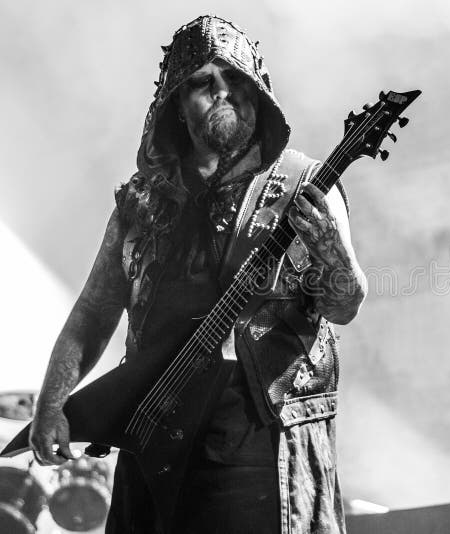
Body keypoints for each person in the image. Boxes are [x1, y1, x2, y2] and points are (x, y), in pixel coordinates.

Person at [28, 14, 366, 534]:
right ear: (176, 107)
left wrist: (335, 257)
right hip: (151, 430)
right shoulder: (142, 202)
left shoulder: (306, 183)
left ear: (260, 96)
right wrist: (52, 404)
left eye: (237, 81)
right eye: (205, 83)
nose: (224, 93)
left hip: (252, 437)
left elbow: (345, 305)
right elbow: (94, 311)